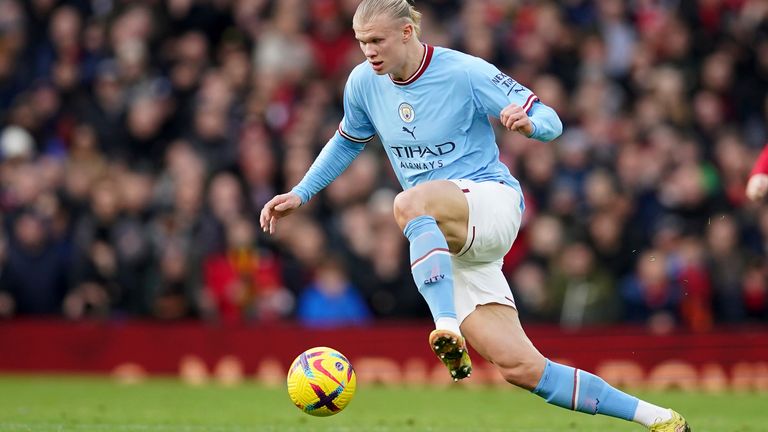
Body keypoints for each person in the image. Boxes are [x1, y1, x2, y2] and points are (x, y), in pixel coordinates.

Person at [259, 1, 689, 430]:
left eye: (376, 40)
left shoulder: (464, 72)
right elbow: (348, 141)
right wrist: (301, 192)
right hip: (450, 240)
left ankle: (445, 325)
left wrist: (529, 125)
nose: (368, 51)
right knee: (523, 369)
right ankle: (659, 418)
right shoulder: (363, 83)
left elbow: (551, 119)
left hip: (491, 203)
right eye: (361, 42)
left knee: (408, 203)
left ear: (407, 32)